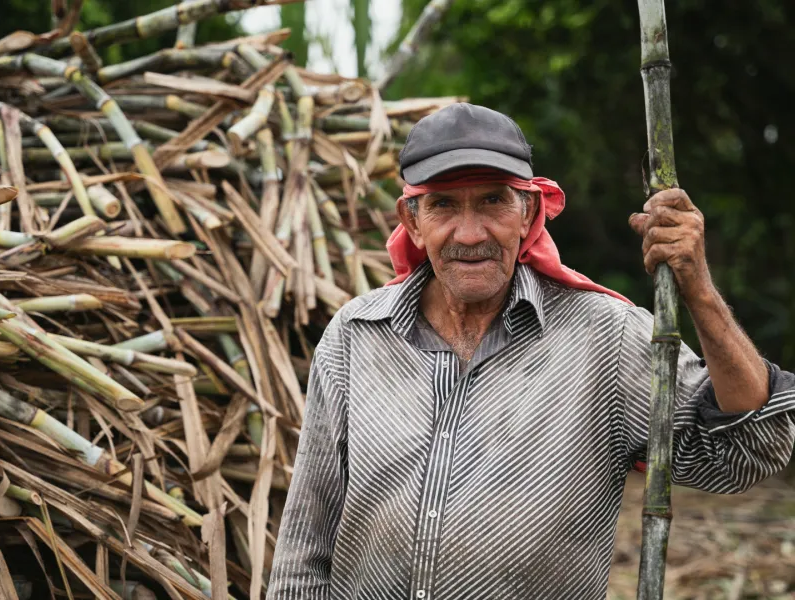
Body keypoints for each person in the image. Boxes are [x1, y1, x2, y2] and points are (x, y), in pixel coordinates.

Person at [267, 103, 795, 599]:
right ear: (412, 221)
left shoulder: (605, 339)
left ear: (529, 211)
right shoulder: (356, 336)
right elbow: (305, 542)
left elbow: (747, 454)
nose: (470, 234)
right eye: (444, 204)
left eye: (493, 200)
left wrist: (698, 291)